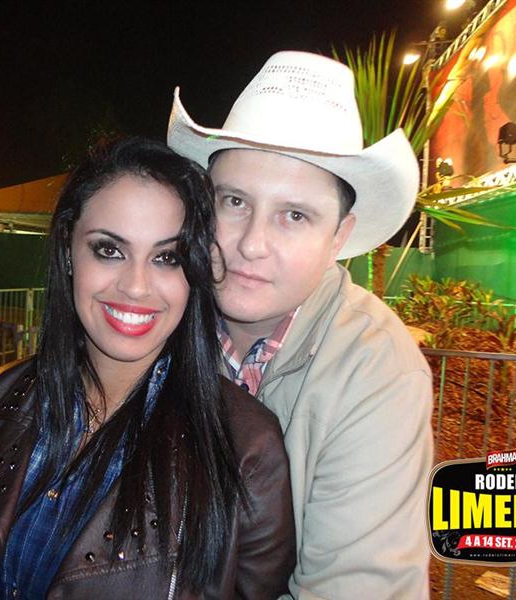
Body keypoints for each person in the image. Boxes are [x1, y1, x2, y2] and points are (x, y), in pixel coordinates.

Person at [0, 137, 295, 599]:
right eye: (109, 250)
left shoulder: (246, 448)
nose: (136, 286)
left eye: (167, 257)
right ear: (68, 251)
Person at [168, 51, 434, 599]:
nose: (252, 243)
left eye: (295, 215)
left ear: (339, 237)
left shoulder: (375, 368)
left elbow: (354, 588)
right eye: (234, 201)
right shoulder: (159, 317)